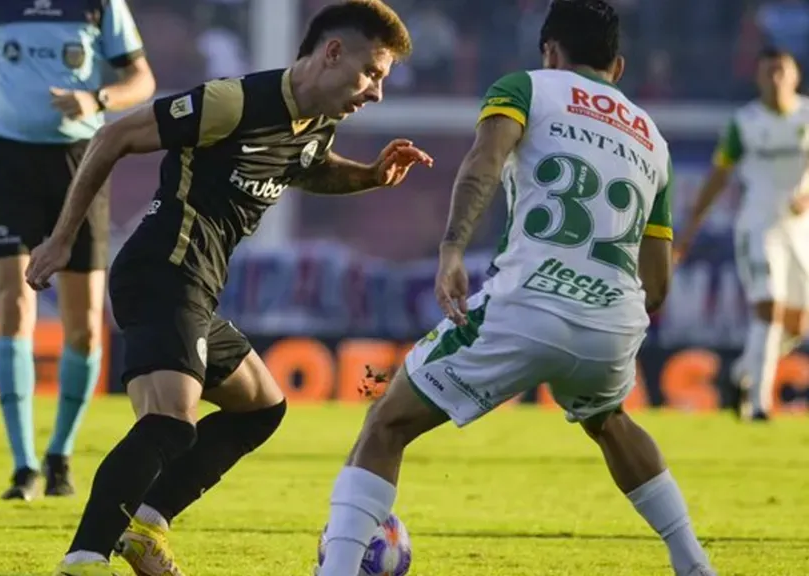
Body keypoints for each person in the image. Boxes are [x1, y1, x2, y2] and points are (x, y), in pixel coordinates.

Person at [24, 2, 433, 575]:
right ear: (332, 52)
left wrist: (368, 176)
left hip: (194, 286)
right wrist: (61, 240)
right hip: (163, 269)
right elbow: (115, 135)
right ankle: (85, 557)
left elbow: (307, 165)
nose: (376, 93)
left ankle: (147, 524)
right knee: (170, 424)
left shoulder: (317, 123)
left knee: (261, 407)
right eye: (372, 73)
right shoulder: (233, 101)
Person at [315, 1, 717, 576]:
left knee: (386, 423)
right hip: (613, 323)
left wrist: (452, 249)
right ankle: (693, 563)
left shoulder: (527, 88)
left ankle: (338, 569)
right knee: (610, 420)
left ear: (550, 51)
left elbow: (484, 162)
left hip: (527, 304)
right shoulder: (653, 139)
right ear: (619, 67)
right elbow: (657, 282)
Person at [0, 0, 156, 500]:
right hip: (11, 165)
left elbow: (142, 78)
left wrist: (98, 98)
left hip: (80, 164)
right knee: (13, 301)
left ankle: (59, 454)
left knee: (85, 326)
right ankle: (23, 464)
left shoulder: (101, 5)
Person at [675, 47, 809, 422]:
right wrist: (688, 231)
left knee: (797, 326)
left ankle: (739, 375)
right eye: (768, 72)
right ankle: (759, 406)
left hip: (800, 230)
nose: (776, 79)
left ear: (795, 76)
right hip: (758, 225)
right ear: (758, 78)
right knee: (768, 307)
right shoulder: (744, 123)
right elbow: (718, 177)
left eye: (782, 71)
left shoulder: (807, 115)